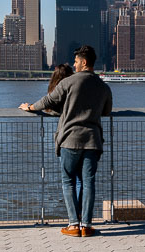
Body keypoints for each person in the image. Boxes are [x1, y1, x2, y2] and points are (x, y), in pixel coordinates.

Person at [20, 45, 112, 237]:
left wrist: (30, 107)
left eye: (77, 62)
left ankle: (73, 225)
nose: (75, 65)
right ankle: (86, 225)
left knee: (68, 181)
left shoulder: (69, 82)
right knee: (89, 183)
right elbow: (106, 111)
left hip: (70, 139)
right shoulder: (104, 86)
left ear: (84, 62)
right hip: (93, 141)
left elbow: (48, 101)